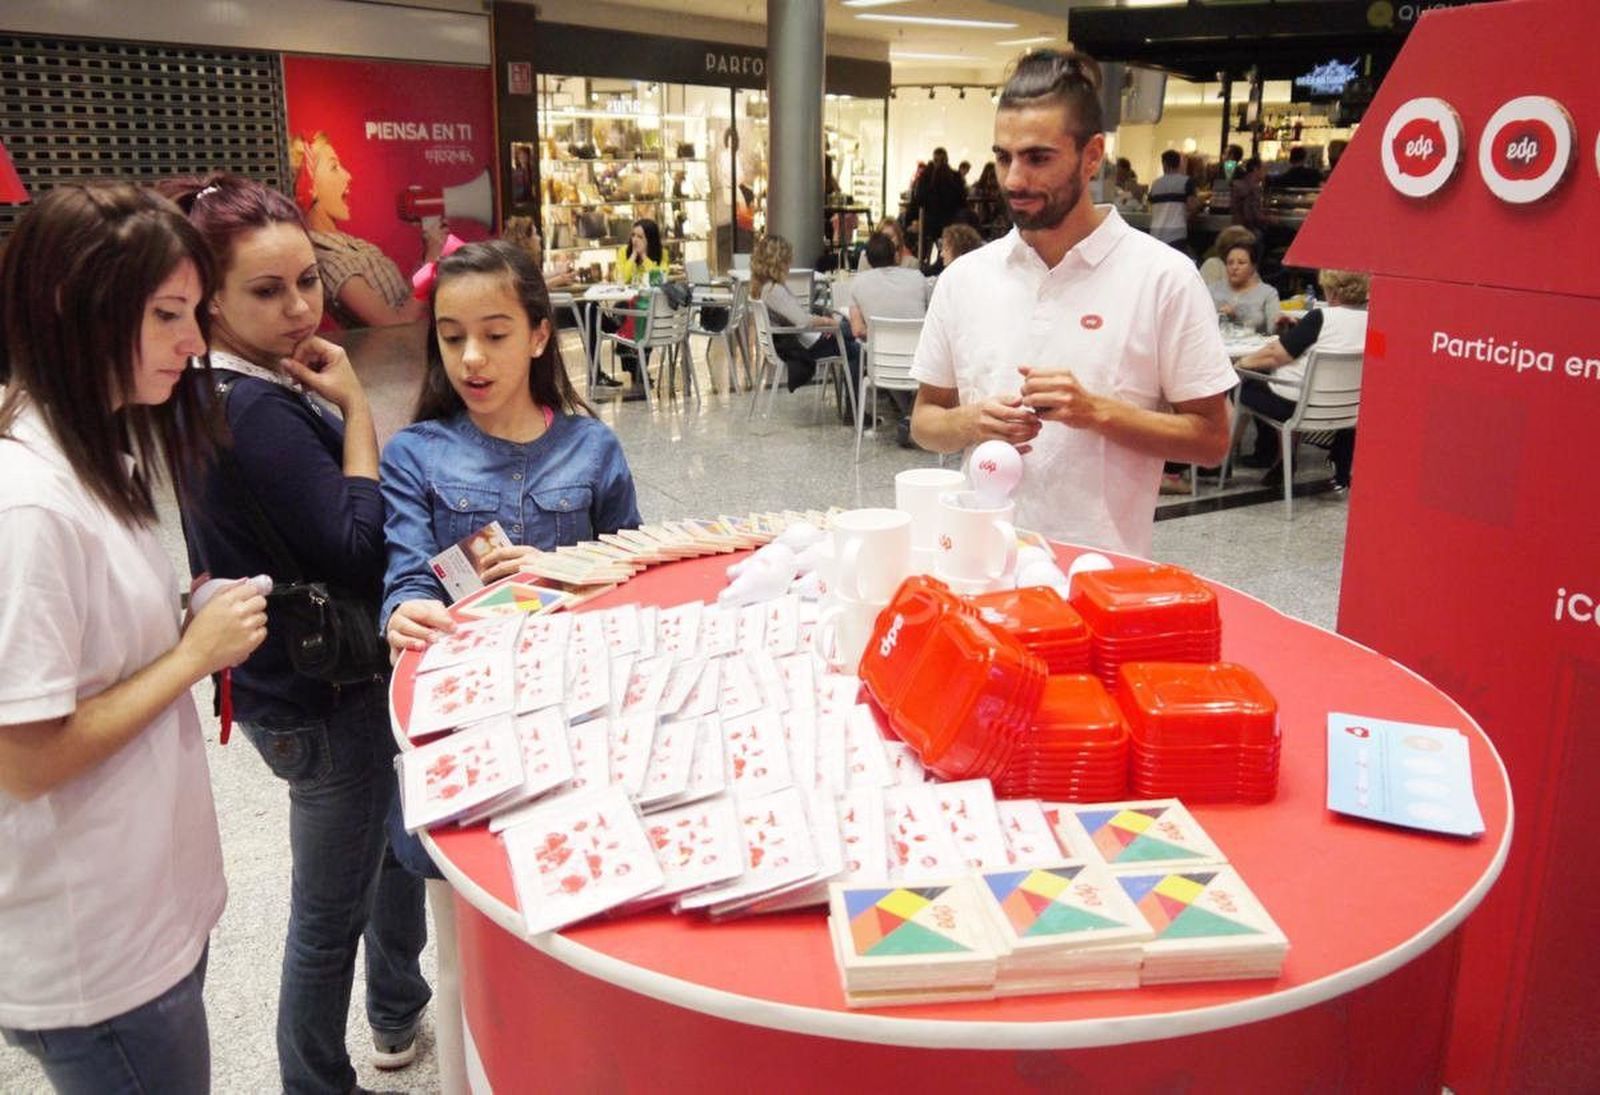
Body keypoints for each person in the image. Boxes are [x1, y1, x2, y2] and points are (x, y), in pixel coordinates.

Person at [160, 173, 431, 1094]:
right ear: (210, 298)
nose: (299, 307)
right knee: (329, 910)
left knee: (393, 851)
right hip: (321, 695)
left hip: (290, 680)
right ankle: (316, 1078)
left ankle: (397, 1006)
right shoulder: (257, 409)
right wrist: (357, 410)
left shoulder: (212, 388)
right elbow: (358, 543)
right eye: (265, 292)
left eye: (307, 281)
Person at [0, 182, 268, 1093]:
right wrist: (194, 655)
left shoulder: (92, 451)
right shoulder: (28, 504)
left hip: (138, 902)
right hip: (97, 951)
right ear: (77, 307)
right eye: (168, 315)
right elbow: (25, 757)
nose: (195, 343)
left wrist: (181, 617)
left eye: (193, 313)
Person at [908, 49, 1235, 558]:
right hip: (977, 568)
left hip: (1100, 580)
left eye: (1038, 157)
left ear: (1092, 156)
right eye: (1003, 156)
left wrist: (1096, 412)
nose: (1014, 179)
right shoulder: (964, 277)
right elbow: (925, 420)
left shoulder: (1163, 277)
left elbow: (1212, 439)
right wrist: (971, 422)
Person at [382, 241, 643, 650]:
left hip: (576, 663)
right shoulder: (413, 454)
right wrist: (406, 611)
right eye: (452, 337)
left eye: (495, 335)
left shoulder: (592, 447)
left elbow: (633, 568)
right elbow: (410, 577)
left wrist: (563, 570)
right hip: (470, 673)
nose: (470, 357)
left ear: (538, 337)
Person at [1234, 269, 1370, 493]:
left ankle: (1220, 465)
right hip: (1347, 410)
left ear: (1333, 291)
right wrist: (1300, 326)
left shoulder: (1320, 317)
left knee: (1243, 386)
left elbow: (1276, 355)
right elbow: (1334, 337)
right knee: (1292, 379)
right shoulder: (1370, 319)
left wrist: (1242, 363)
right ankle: (1285, 461)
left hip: (1298, 408)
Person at [289, 131, 442, 328]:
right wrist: (431, 260)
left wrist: (427, 254)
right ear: (309, 187)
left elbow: (402, 297)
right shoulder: (329, 262)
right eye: (334, 167)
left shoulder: (351, 245)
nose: (348, 175)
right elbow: (395, 325)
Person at [750, 233, 860, 407]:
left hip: (792, 342)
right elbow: (803, 321)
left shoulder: (763, 286)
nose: (790, 264)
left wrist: (823, 323)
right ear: (780, 261)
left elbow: (800, 319)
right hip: (798, 347)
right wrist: (827, 323)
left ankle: (852, 408)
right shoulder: (774, 290)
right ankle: (853, 411)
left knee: (848, 333)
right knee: (854, 347)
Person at [849, 231, 933, 446]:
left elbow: (857, 330)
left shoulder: (858, 283)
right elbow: (931, 314)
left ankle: (911, 418)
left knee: (885, 351)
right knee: (903, 353)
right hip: (922, 362)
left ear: (867, 259)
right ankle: (913, 419)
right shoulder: (916, 277)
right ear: (896, 255)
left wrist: (880, 333)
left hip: (883, 365)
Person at [1210, 239, 1280, 334]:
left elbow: (1273, 330)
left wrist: (1282, 324)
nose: (1234, 267)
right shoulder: (1212, 290)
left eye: (1241, 263)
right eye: (1230, 263)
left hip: (1256, 346)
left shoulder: (1268, 293)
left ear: (1253, 267)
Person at [910, 147, 968, 264]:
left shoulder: (927, 177)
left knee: (928, 244)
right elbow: (962, 199)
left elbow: (919, 198)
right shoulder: (954, 177)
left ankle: (926, 262)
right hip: (949, 221)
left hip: (931, 222)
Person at [1148, 149, 1199, 253]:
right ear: (1179, 163)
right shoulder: (1186, 182)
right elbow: (1193, 207)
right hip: (1177, 234)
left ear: (1164, 164)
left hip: (1156, 233)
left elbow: (1150, 206)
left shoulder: (1155, 184)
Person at [1230, 156, 1269, 235]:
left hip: (1238, 227)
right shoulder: (1252, 188)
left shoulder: (1239, 184)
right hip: (1246, 230)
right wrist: (1270, 219)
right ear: (1255, 169)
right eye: (1264, 169)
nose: (1266, 173)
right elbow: (1252, 215)